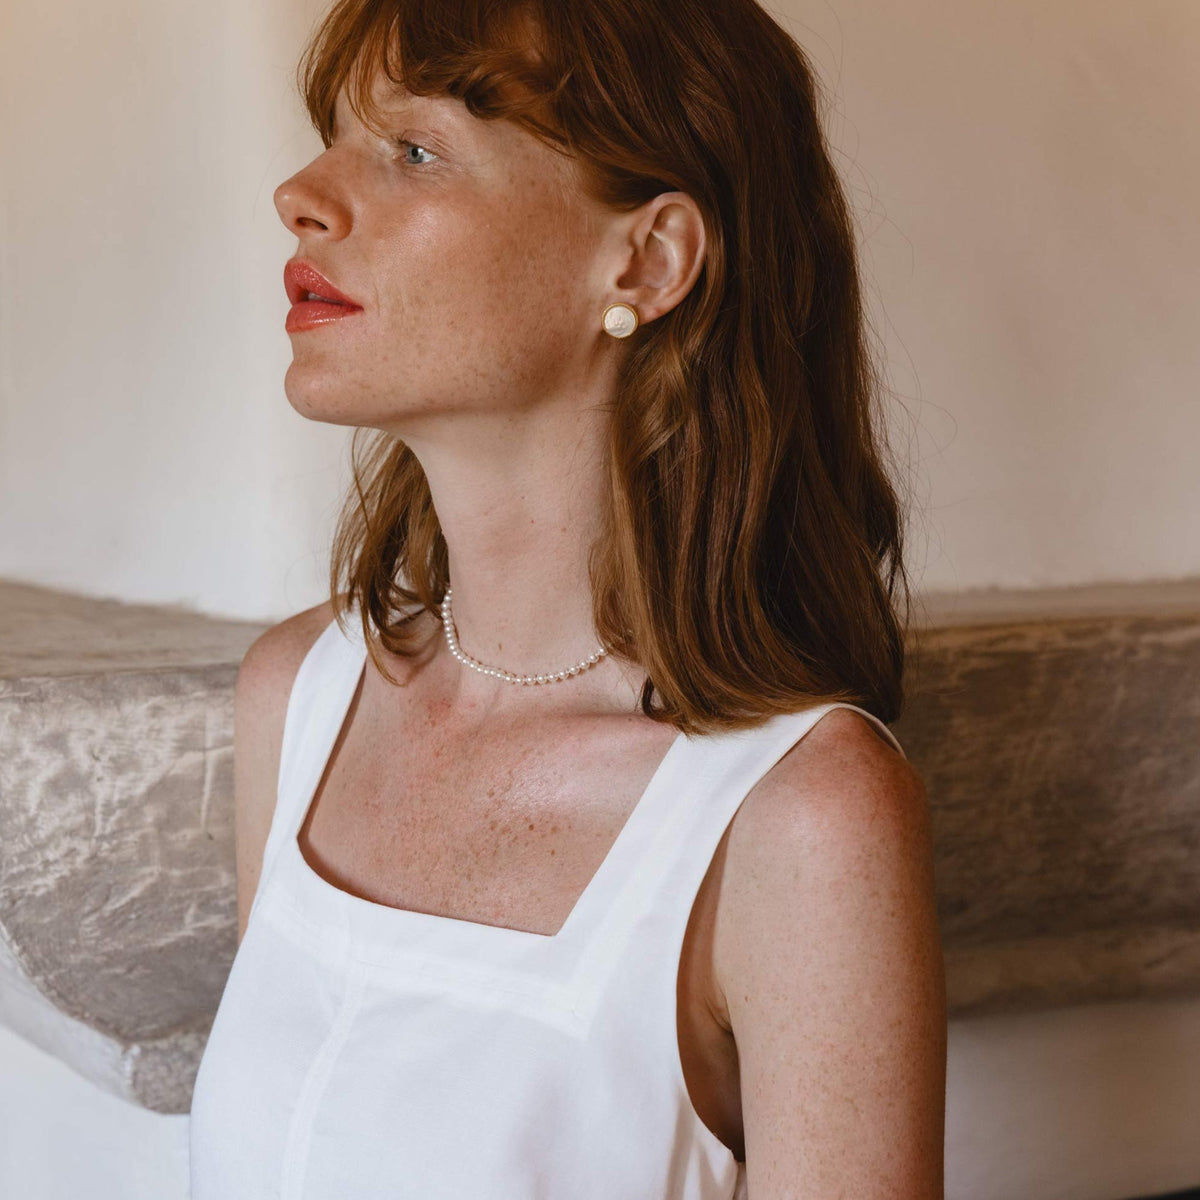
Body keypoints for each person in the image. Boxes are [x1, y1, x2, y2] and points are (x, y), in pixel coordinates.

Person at [189, 0, 947, 1195]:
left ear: (645, 261)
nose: (303, 192)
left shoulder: (801, 819)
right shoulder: (299, 696)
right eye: (333, 134)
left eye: (415, 149)